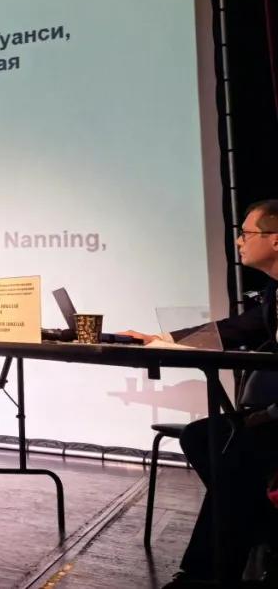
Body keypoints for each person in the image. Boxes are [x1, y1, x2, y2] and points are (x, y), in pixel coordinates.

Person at [141, 200, 278, 588]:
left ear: (276, 240)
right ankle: (260, 531)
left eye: (246, 233)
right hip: (270, 414)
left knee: (230, 451)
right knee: (205, 438)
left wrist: (266, 415)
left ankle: (203, 576)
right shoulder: (274, 292)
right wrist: (163, 340)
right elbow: (235, 329)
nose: (238, 242)